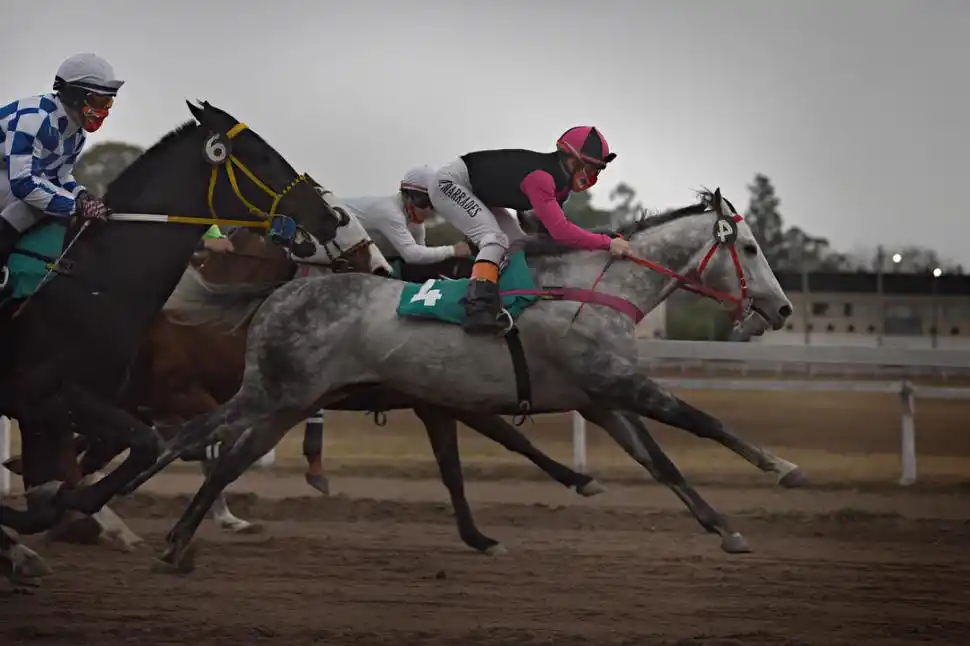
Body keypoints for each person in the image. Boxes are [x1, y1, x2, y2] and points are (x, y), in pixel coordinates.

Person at [428, 126, 634, 334]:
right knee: (495, 240)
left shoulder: (561, 186)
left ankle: (503, 296)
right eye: (589, 167)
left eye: (597, 169)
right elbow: (561, 232)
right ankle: (477, 308)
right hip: (450, 183)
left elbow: (550, 237)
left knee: (517, 244)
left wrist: (601, 236)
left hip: (480, 193)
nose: (592, 174)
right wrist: (606, 242)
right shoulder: (542, 179)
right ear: (570, 159)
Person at [0, 53, 124, 277]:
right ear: (76, 95)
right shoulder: (34, 117)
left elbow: (60, 177)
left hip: (7, 175)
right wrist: (76, 206)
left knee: (49, 200)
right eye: (99, 101)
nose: (105, 110)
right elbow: (23, 184)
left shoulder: (76, 134)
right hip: (10, 177)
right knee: (32, 202)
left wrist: (83, 196)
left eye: (109, 102)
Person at [337, 165, 471, 266]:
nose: (428, 211)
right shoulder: (389, 213)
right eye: (423, 202)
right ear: (406, 196)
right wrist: (453, 250)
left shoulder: (415, 224)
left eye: (433, 205)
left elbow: (422, 258)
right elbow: (411, 255)